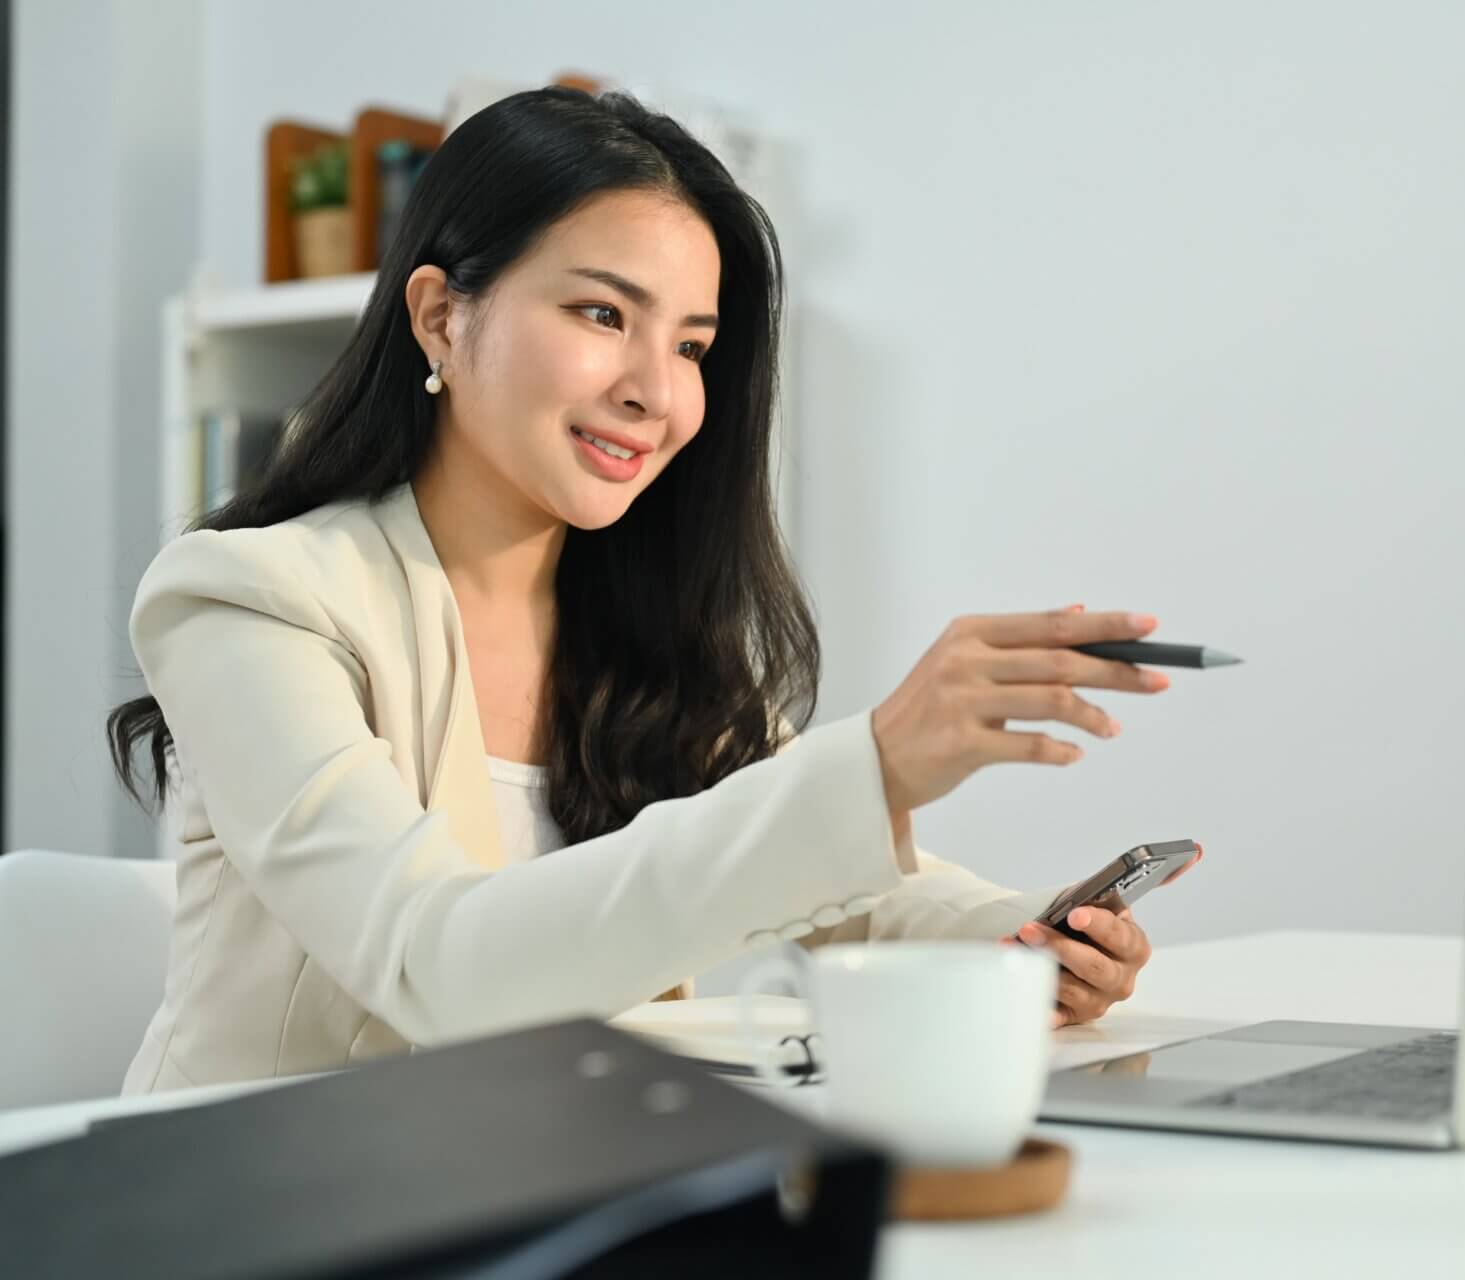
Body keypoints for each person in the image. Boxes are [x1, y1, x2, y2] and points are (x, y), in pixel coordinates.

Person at [106, 87, 1188, 1096]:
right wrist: (878, 762)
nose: (655, 391)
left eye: (692, 345)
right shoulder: (247, 599)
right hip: (266, 1206)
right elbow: (432, 960)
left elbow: (845, 888)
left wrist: (1024, 940)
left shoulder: (634, 629)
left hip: (548, 1184)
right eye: (602, 315)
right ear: (439, 315)